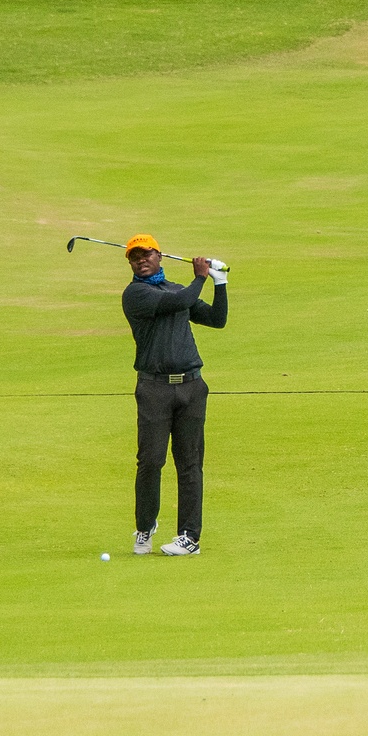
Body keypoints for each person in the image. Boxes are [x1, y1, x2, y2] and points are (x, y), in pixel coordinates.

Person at [120, 234, 226, 556]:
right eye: (135, 257)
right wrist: (200, 277)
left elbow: (217, 320)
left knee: (190, 464)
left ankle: (189, 538)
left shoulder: (178, 289)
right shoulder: (136, 294)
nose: (141, 260)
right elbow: (176, 304)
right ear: (131, 263)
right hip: (154, 388)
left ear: (159, 255)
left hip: (192, 388)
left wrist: (219, 283)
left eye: (146, 254)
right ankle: (145, 526)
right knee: (150, 461)